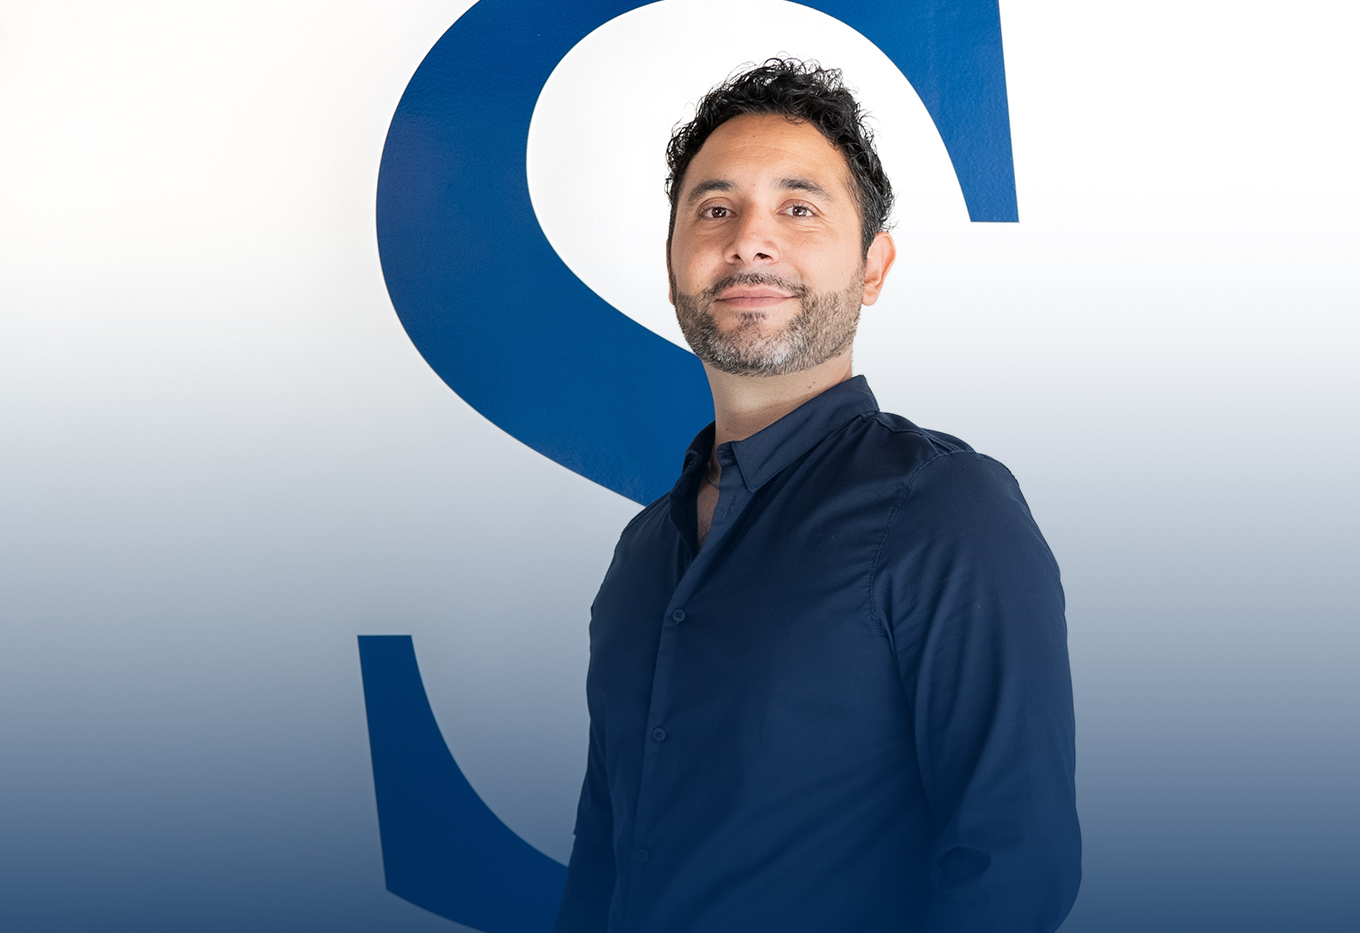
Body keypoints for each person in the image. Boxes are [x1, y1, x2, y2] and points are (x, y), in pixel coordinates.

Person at [554, 59, 1080, 933]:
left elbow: (1012, 871)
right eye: (715, 210)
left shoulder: (948, 510)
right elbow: (601, 858)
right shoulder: (643, 551)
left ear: (873, 267)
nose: (749, 241)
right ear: (675, 265)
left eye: (799, 208)